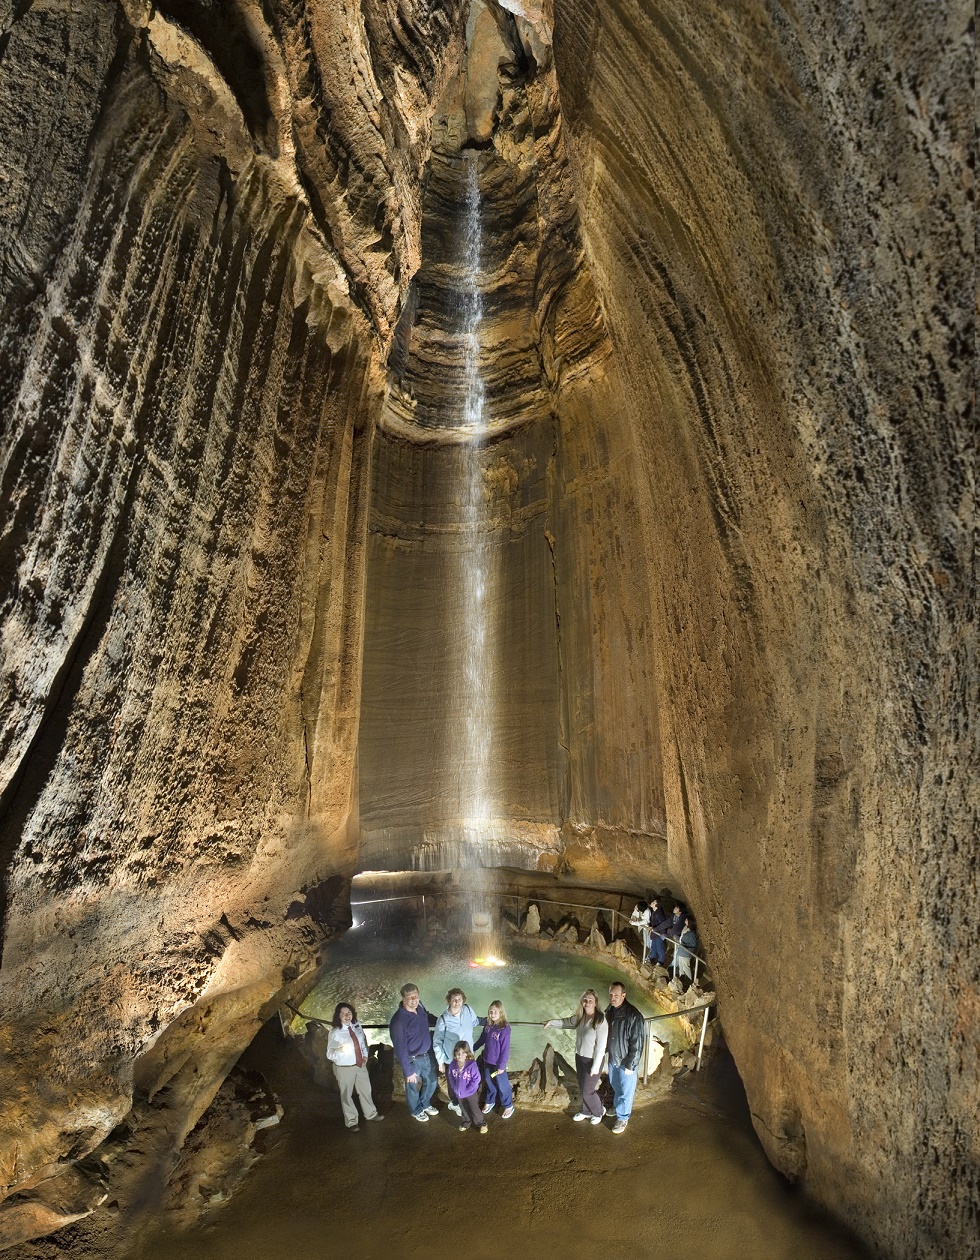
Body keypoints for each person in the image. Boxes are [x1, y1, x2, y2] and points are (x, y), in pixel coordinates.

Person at [544, 988, 608, 1124]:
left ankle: (598, 1111)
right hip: (580, 1057)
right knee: (582, 1085)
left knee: (588, 1090)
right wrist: (551, 1023)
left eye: (590, 1000)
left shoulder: (600, 1020)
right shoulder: (581, 1017)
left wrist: (596, 1066)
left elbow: (601, 1046)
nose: (587, 1003)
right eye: (585, 1000)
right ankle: (586, 1111)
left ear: (596, 1003)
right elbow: (566, 1022)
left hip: (593, 1060)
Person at [326, 1002, 384, 1131]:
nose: (347, 1016)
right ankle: (351, 1121)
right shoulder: (335, 1033)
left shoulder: (357, 1026)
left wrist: (365, 1055)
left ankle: (371, 1114)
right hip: (345, 1067)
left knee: (365, 1090)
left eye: (349, 1013)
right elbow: (329, 1054)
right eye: (343, 1013)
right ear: (338, 1016)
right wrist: (340, 1050)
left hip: (360, 1065)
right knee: (346, 1095)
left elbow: (363, 1041)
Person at [389, 983, 439, 1123]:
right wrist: (408, 1070)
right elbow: (400, 1048)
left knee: (432, 1081)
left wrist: (442, 1021)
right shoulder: (399, 1021)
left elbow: (427, 1016)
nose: (414, 1000)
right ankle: (416, 1110)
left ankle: (425, 1104)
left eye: (416, 996)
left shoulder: (420, 1007)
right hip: (412, 1059)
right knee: (412, 1087)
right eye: (410, 998)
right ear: (403, 999)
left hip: (426, 1055)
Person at [434, 987, 481, 1116]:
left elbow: (476, 1021)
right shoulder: (443, 1019)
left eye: (459, 999)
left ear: (463, 1000)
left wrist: (493, 1021)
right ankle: (454, 1103)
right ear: (449, 1001)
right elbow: (437, 1042)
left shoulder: (467, 1010)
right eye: (453, 999)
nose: (457, 1002)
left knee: (469, 1078)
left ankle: (468, 1101)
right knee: (453, 1082)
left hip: (468, 1055)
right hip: (452, 1057)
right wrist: (440, 1061)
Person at [605, 982, 644, 1133]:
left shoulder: (633, 1016)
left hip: (625, 1061)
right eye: (610, 995)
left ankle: (623, 1118)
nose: (612, 998)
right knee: (616, 1086)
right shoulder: (610, 1010)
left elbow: (637, 1042)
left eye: (616, 995)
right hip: (613, 1058)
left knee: (626, 1091)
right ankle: (617, 1107)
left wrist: (631, 1064)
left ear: (623, 995)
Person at [475, 1000, 514, 1118]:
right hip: (487, 1061)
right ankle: (490, 1101)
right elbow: (482, 1040)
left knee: (503, 1085)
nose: (492, 1014)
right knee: (489, 1082)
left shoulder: (504, 1029)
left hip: (498, 1064)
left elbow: (505, 1050)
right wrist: (472, 1048)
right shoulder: (488, 1026)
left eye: (495, 1012)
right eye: (490, 1012)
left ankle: (508, 1105)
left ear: (501, 1012)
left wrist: (502, 1065)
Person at [447, 1041, 487, 1133]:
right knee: (463, 1109)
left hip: (470, 1093)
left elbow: (476, 1079)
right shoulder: (453, 1064)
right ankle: (466, 1122)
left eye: (462, 1053)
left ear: (467, 1054)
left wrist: (468, 1089)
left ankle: (481, 1123)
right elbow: (450, 1077)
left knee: (474, 1109)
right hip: (459, 1093)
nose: (460, 1055)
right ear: (455, 1053)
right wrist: (454, 1087)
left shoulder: (472, 1065)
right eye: (457, 1053)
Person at [672, 915, 699, 986]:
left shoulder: (692, 933)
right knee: (681, 966)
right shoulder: (686, 929)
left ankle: (689, 980)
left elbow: (693, 944)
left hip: (686, 953)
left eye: (687, 920)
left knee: (686, 967)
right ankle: (682, 978)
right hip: (682, 951)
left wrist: (684, 945)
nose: (685, 920)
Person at [647, 896, 670, 966]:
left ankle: (661, 961)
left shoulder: (658, 913)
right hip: (655, 933)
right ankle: (652, 958)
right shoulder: (654, 912)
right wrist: (651, 926)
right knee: (653, 947)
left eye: (653, 902)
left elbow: (663, 924)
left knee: (659, 948)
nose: (652, 903)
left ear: (656, 905)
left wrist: (657, 930)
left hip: (659, 933)